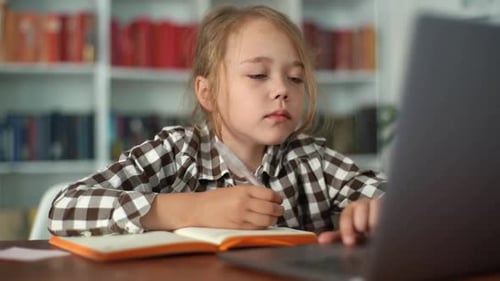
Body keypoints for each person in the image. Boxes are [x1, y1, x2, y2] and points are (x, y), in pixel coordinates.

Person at [48, 5, 386, 246]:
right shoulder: (177, 153)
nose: (283, 89)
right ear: (207, 93)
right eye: (257, 75)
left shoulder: (312, 160)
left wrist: (375, 212)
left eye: (295, 78)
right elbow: (64, 208)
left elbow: (404, 203)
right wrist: (190, 209)